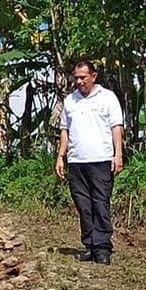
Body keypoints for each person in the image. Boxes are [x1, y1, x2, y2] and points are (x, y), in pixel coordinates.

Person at [55, 60, 125, 265]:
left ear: (93, 76)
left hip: (101, 160)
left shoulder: (107, 98)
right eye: (76, 78)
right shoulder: (70, 101)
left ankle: (102, 247)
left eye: (83, 77)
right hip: (77, 161)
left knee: (100, 203)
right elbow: (65, 130)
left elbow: (116, 127)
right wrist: (61, 156)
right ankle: (90, 245)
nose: (79, 81)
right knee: (83, 205)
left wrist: (118, 154)